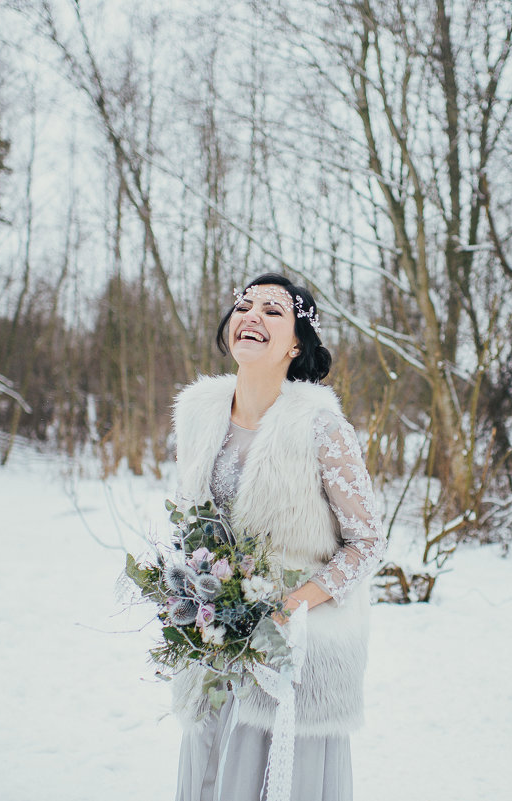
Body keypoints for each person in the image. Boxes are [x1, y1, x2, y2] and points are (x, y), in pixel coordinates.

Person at [171, 273, 385, 801]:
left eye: (273, 310)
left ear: (295, 343)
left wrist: (293, 604)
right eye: (244, 305)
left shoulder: (321, 428)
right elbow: (191, 523)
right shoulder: (198, 418)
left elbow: (367, 544)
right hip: (215, 646)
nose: (252, 315)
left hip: (293, 651)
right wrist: (187, 587)